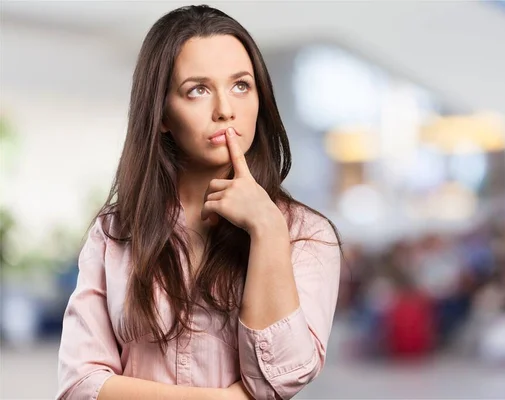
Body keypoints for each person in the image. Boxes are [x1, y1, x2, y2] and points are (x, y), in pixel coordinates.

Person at [56, 5, 342, 400]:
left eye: (241, 85)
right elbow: (79, 385)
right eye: (198, 90)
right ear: (161, 115)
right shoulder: (114, 233)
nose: (225, 110)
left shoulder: (305, 235)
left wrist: (268, 231)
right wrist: (223, 399)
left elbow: (278, 381)